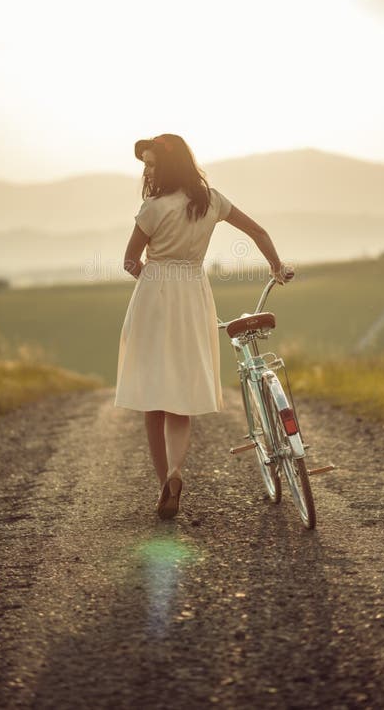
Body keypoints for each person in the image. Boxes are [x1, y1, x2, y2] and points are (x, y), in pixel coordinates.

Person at [114, 134, 294, 520]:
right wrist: (276, 267)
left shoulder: (152, 209)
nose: (146, 170)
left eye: (150, 163)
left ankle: (165, 481)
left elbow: (130, 261)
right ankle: (177, 471)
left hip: (154, 296)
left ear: (165, 165)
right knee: (181, 394)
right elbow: (258, 232)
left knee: (153, 398)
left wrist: (152, 278)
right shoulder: (211, 200)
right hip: (194, 293)